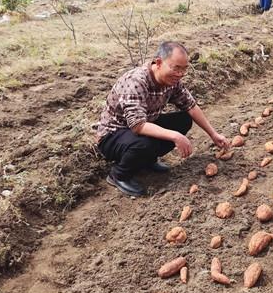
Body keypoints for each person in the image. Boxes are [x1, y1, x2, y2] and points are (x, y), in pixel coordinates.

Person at [96, 41, 230, 196]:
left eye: (184, 69)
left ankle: (147, 161)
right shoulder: (136, 81)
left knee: (184, 119)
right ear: (158, 63)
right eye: (176, 68)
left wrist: (213, 134)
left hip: (141, 128)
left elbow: (191, 106)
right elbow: (137, 125)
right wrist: (175, 136)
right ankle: (119, 175)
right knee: (145, 143)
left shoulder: (172, 82)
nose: (180, 74)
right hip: (113, 136)